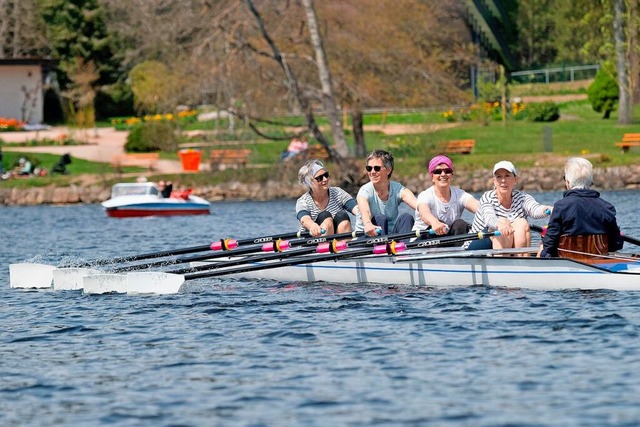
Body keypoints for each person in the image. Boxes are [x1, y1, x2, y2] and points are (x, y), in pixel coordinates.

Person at [539, 157, 623, 259]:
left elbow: (549, 246)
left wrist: (543, 247)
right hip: (600, 264)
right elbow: (617, 244)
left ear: (568, 182)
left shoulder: (561, 207)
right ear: (591, 182)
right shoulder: (607, 207)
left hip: (566, 263)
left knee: (543, 245)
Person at [469, 160, 552, 251]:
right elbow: (489, 218)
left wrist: (549, 209)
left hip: (505, 241)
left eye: (507, 176)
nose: (503, 181)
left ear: (515, 180)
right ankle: (502, 261)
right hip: (477, 243)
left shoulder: (522, 197)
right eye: (499, 177)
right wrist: (500, 225)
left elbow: (535, 209)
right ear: (494, 181)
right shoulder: (487, 197)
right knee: (503, 222)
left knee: (522, 223)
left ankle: (521, 261)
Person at [413, 155, 479, 237]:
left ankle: (460, 249)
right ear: (432, 177)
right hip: (424, 239)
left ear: (452, 175)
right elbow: (424, 213)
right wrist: (434, 222)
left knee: (460, 224)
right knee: (440, 223)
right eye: (438, 172)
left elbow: (477, 206)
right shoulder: (425, 195)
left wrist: (491, 214)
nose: (443, 174)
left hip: (447, 237)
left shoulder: (460, 194)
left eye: (447, 171)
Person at [356, 149, 418, 236]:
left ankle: (405, 247)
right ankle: (383, 246)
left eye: (377, 168)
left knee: (406, 218)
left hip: (390, 237)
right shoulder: (364, 191)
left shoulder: (397, 189)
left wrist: (432, 219)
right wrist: (367, 223)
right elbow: (365, 212)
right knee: (380, 218)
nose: (372, 172)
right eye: (369, 168)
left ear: (388, 170)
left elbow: (418, 205)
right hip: (366, 236)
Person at [296, 159, 358, 237]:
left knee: (342, 216)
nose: (325, 179)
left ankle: (343, 246)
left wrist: (366, 220)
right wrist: (312, 226)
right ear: (310, 182)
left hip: (338, 240)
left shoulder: (338, 192)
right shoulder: (303, 201)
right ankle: (326, 246)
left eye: (326, 175)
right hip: (313, 241)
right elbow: (304, 219)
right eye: (320, 178)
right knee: (326, 216)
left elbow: (356, 209)